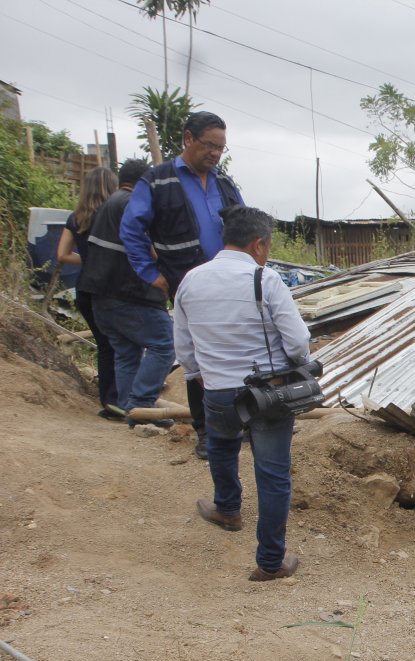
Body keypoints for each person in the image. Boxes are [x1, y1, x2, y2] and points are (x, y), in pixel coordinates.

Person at [174, 205, 309, 581]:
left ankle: (228, 509)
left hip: (216, 390)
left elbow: (183, 343)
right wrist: (293, 368)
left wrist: (198, 374)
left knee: (221, 444)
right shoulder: (265, 281)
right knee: (272, 473)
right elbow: (298, 342)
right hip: (266, 395)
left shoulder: (191, 280)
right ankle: (270, 563)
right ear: (259, 244)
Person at [120, 111, 244, 459]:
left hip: (230, 284)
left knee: (234, 350)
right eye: (209, 145)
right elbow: (131, 229)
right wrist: (149, 273)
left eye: (221, 147)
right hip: (188, 284)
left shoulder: (224, 183)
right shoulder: (158, 181)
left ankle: (238, 423)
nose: (215, 154)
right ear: (188, 139)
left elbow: (245, 225)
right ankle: (207, 432)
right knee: (197, 358)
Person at [76, 159, 175, 428]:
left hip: (101, 297)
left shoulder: (109, 204)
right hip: (129, 295)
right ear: (144, 183)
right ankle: (141, 404)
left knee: (127, 352)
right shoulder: (132, 204)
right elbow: (153, 247)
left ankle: (130, 409)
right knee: (164, 344)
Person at [57, 166, 120, 420]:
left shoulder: (76, 218)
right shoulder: (114, 216)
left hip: (84, 289)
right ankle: (121, 399)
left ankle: (107, 400)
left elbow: (62, 254)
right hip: (111, 288)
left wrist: (89, 260)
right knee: (122, 345)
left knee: (104, 345)